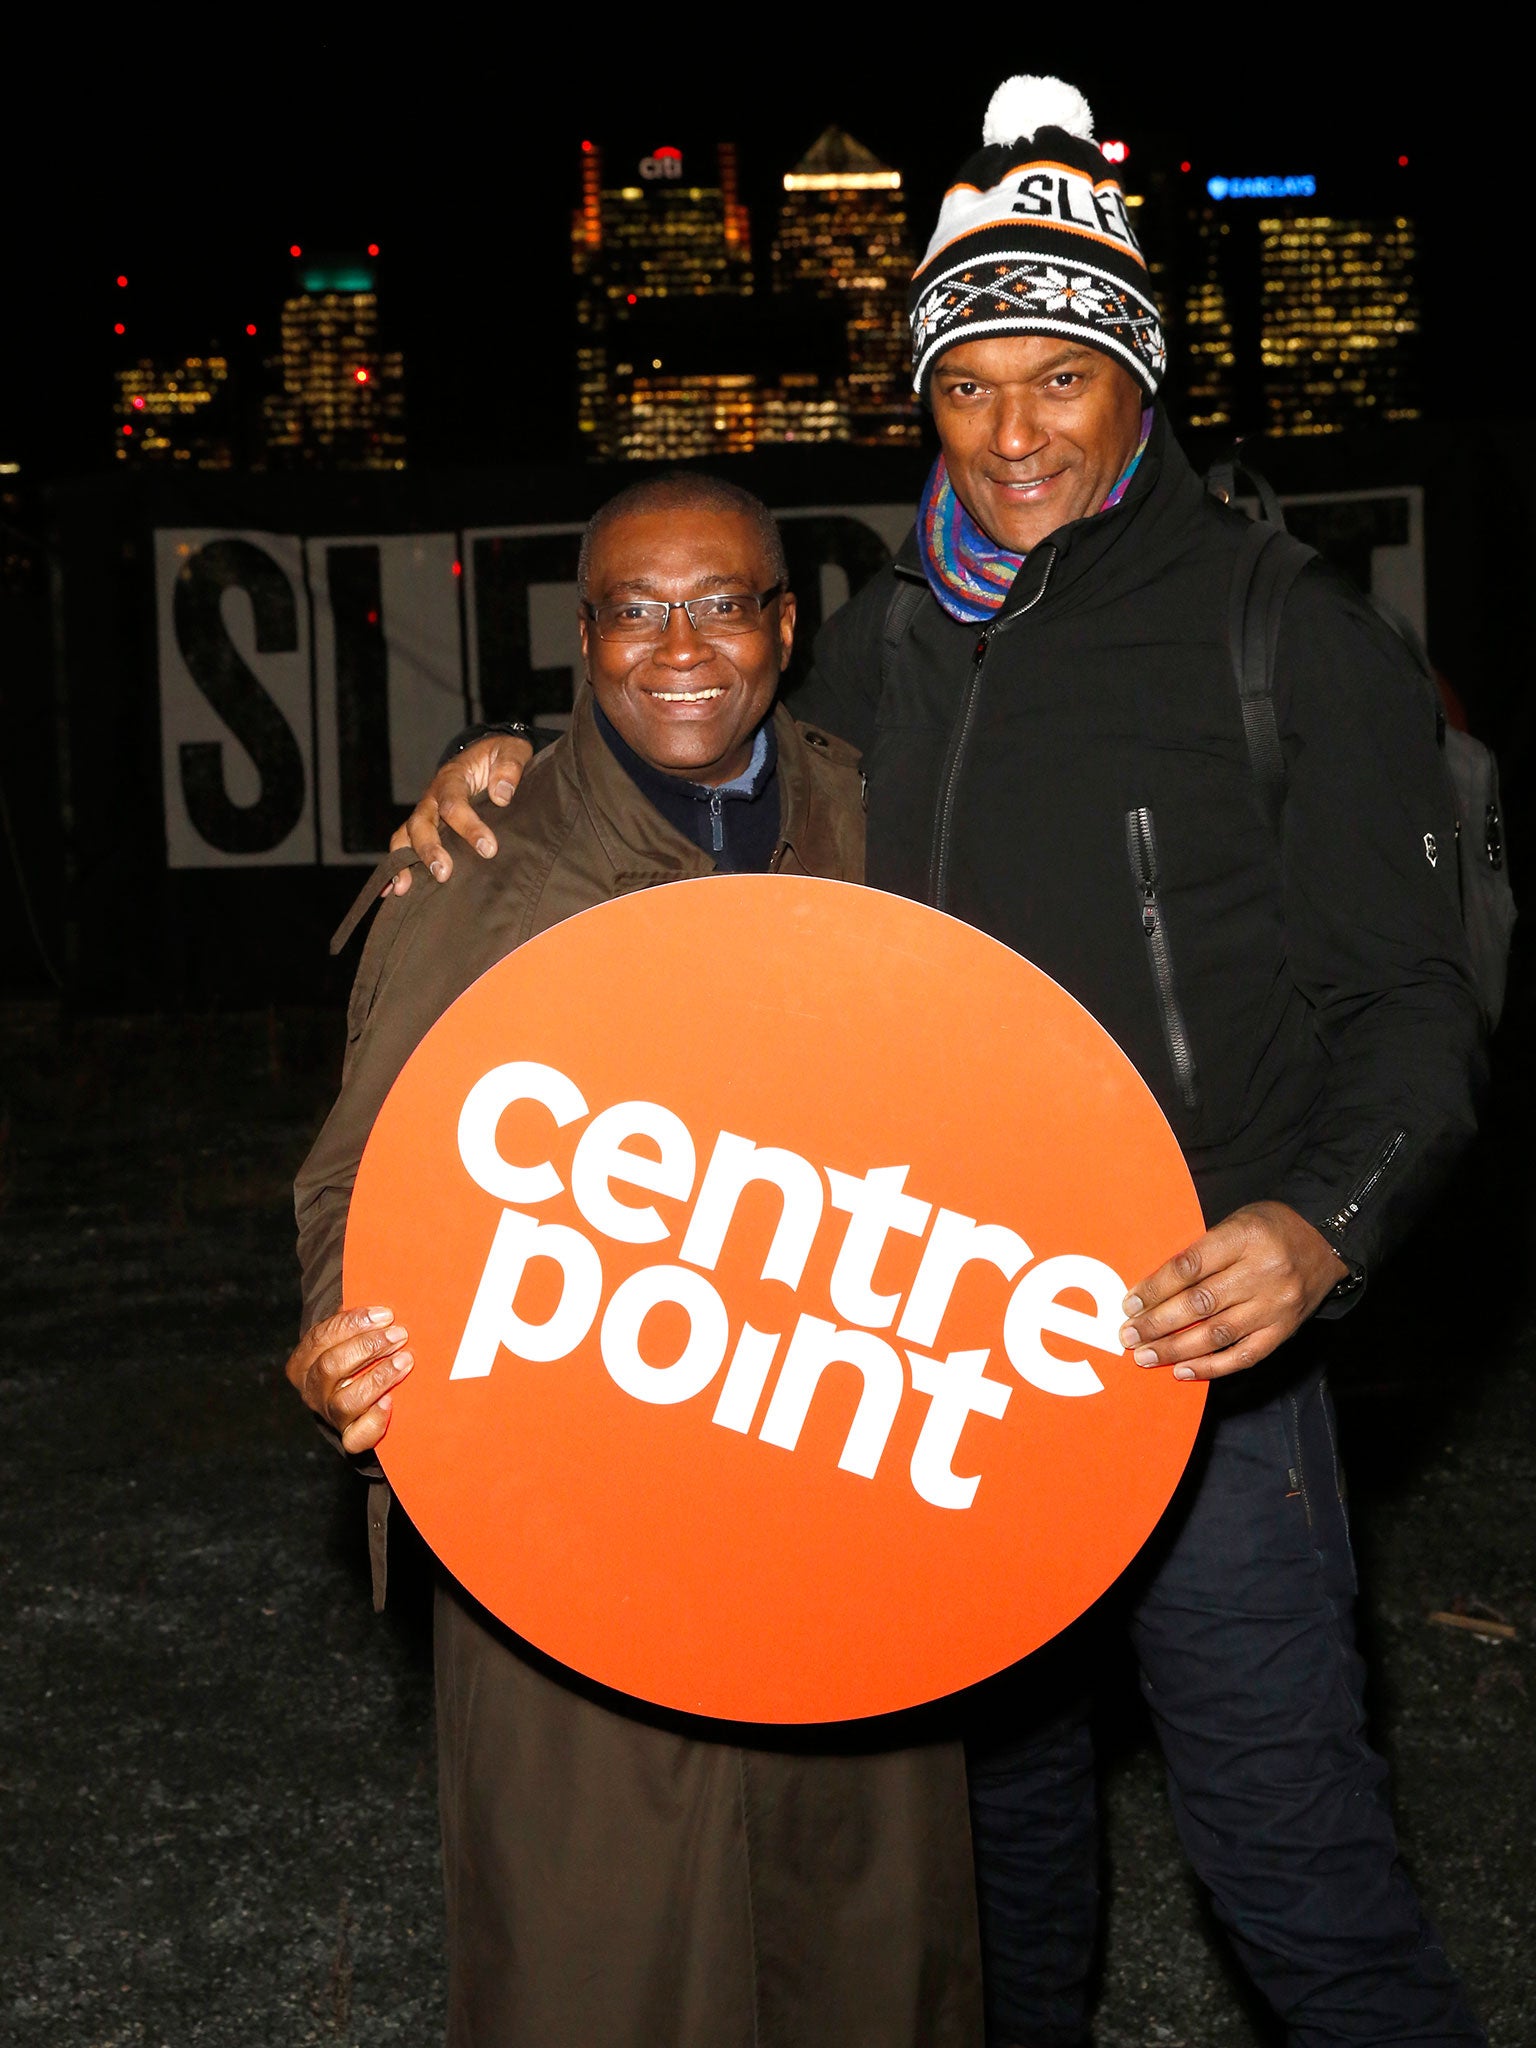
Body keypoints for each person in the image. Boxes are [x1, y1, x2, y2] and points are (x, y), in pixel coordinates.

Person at [401, 76, 1487, 2048]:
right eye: (968, 382)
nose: (1010, 435)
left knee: (1298, 1873)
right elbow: (730, 795)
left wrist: (1316, 1229)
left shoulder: (1281, 628)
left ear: (1136, 381)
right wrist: (499, 772)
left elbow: (1419, 1010)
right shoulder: (891, 641)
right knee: (991, 1892)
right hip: (942, 1355)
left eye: (1058, 379)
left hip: (1199, 1349)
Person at [288, 474, 983, 2048]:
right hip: (566, 1519)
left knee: (870, 1960)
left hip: (845, 1500)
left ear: (786, 627)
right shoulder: (483, 858)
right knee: (601, 1967)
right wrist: (334, 1340)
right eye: (633, 610)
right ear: (584, 638)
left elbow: (998, 1141)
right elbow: (357, 1180)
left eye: (723, 602)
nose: (681, 647)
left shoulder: (885, 823)